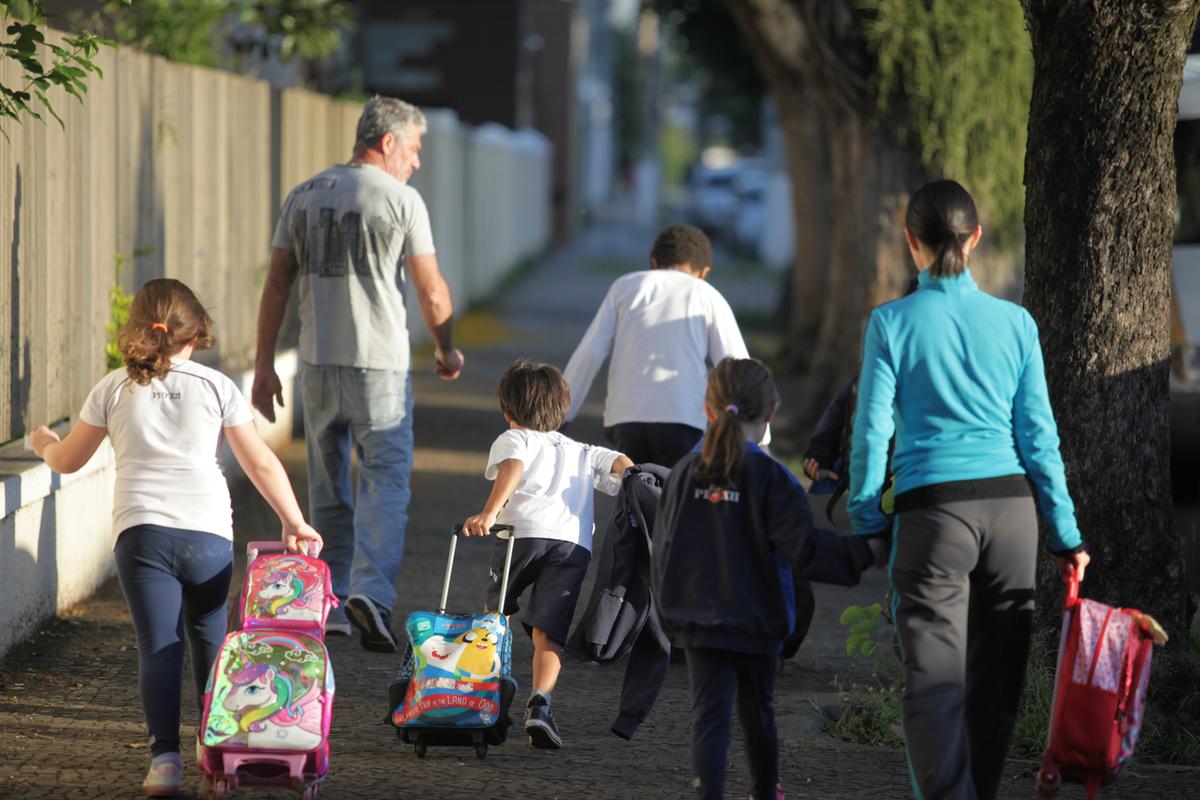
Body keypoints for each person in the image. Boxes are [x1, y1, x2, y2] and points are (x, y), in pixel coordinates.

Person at [29, 278, 323, 798]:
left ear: (139, 329)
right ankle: (218, 751)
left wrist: (44, 444)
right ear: (196, 335)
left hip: (141, 537)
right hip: (208, 535)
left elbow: (69, 459)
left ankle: (164, 761)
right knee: (211, 638)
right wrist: (294, 520)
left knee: (158, 647)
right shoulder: (216, 387)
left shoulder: (113, 386)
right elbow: (260, 461)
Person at [848, 179, 1091, 800]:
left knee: (933, 685)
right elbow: (1040, 438)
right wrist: (1066, 535)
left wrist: (868, 520)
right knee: (996, 682)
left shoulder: (891, 322)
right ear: (975, 238)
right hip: (1012, 513)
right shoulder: (1016, 323)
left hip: (934, 516)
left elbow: (873, 432)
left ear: (912, 242)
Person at [252, 95, 464, 652]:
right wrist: (446, 348)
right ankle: (370, 594)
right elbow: (431, 289)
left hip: (318, 361)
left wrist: (262, 367)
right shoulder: (402, 200)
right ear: (388, 141)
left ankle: (332, 597)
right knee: (385, 481)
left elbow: (276, 283)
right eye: (414, 148)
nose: (417, 161)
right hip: (381, 366)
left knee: (326, 487)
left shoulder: (302, 194)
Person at [652, 357, 875, 800]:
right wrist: (865, 552)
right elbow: (804, 549)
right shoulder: (772, 476)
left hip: (697, 619)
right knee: (759, 713)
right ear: (771, 411)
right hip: (757, 619)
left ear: (709, 409)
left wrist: (670, 609)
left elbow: (664, 547)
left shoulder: (683, 472)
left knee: (708, 716)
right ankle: (762, 790)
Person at [462, 359, 634, 749]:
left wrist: (490, 512)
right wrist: (637, 476)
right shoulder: (582, 449)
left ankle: (484, 694)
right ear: (562, 410)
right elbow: (619, 462)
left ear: (508, 412)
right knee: (549, 632)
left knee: (497, 614)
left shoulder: (515, 439)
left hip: (521, 536)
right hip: (572, 546)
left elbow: (513, 467)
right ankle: (540, 703)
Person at [563, 223, 759, 468]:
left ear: (654, 261)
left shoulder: (625, 287)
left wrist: (561, 417)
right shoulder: (706, 294)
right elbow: (736, 368)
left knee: (634, 492)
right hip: (682, 416)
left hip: (625, 417)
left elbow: (590, 353)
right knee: (674, 497)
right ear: (704, 271)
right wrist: (760, 437)